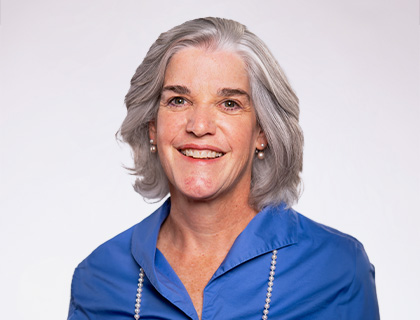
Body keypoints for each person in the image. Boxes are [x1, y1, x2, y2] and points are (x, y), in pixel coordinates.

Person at [67, 17, 380, 320]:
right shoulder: (97, 278)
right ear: (152, 128)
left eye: (229, 103)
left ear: (262, 132)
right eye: (178, 100)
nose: (199, 125)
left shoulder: (336, 268)